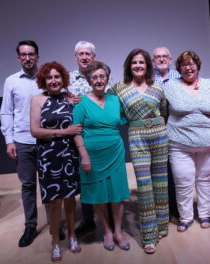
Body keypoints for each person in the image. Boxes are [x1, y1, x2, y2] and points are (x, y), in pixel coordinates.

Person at [0, 40, 64, 247]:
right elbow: (6, 112)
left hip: (46, 141)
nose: (27, 58)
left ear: (37, 56)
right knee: (28, 185)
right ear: (18, 58)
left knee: (50, 185)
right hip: (23, 141)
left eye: (31, 54)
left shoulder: (48, 79)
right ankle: (30, 225)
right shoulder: (11, 81)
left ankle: (55, 225)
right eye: (23, 55)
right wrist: (9, 140)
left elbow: (59, 99)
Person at [108, 48, 169, 254]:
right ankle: (149, 235)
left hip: (159, 135)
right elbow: (108, 106)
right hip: (137, 137)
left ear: (148, 66)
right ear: (129, 66)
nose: (138, 66)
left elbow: (164, 109)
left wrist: (159, 119)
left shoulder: (158, 87)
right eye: (134, 63)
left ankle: (162, 225)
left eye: (141, 62)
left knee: (160, 181)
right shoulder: (120, 88)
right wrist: (129, 122)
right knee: (144, 185)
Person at [73, 61, 131, 251]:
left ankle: (118, 231)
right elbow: (76, 131)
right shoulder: (81, 102)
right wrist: (84, 156)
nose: (98, 80)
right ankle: (106, 231)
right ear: (90, 80)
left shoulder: (115, 100)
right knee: (99, 196)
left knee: (117, 194)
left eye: (102, 76)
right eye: (94, 77)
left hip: (115, 152)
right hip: (93, 155)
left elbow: (125, 118)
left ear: (107, 78)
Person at [30, 61, 82, 262]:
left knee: (70, 198)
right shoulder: (37, 100)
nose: (53, 81)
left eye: (57, 77)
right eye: (49, 77)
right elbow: (35, 131)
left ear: (63, 79)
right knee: (53, 201)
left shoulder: (69, 99)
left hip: (68, 154)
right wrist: (64, 132)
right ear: (44, 80)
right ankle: (54, 242)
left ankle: (72, 235)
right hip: (48, 155)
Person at [164, 51, 210, 232]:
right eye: (184, 64)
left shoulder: (209, 84)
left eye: (192, 63)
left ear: (198, 66)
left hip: (207, 143)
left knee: (205, 180)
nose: (188, 67)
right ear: (178, 68)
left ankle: (205, 214)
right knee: (183, 182)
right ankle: (185, 217)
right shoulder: (170, 85)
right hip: (180, 144)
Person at [67, 40, 98, 235]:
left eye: (88, 54)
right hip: (76, 134)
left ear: (93, 57)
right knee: (84, 178)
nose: (85, 57)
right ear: (76, 56)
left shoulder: (101, 75)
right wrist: (65, 98)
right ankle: (88, 220)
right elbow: (55, 97)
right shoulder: (67, 79)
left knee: (101, 176)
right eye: (81, 54)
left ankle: (108, 217)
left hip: (98, 134)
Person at [152, 46, 181, 218]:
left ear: (170, 60)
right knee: (158, 169)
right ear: (153, 61)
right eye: (158, 57)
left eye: (165, 57)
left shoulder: (180, 78)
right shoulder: (147, 80)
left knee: (174, 170)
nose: (161, 59)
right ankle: (161, 207)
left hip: (176, 128)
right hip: (155, 130)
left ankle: (176, 208)